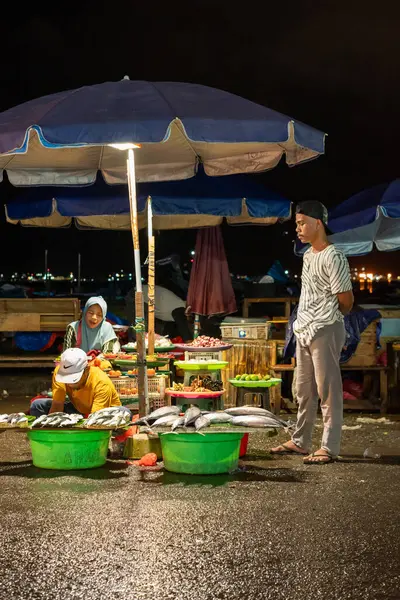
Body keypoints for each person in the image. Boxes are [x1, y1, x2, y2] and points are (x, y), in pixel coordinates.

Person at [271, 201, 353, 464]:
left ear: (318, 223)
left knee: (328, 389)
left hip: (325, 327)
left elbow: (346, 300)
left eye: (302, 222)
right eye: (296, 223)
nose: (298, 228)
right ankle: (301, 441)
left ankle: (329, 447)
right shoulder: (308, 255)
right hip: (304, 328)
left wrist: (327, 317)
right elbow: (308, 293)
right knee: (303, 389)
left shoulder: (334, 255)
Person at [30, 348, 129, 417]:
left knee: (125, 412)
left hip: (103, 413)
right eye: (66, 378)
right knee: (37, 405)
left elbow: (96, 418)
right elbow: (57, 405)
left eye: (73, 379)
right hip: (77, 409)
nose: (69, 383)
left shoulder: (101, 382)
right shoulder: (59, 372)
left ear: (86, 370)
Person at [126, 284, 192, 341]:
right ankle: (135, 349)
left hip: (150, 299)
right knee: (139, 329)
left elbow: (170, 331)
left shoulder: (177, 308)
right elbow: (185, 332)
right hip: (138, 294)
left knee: (154, 333)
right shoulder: (179, 310)